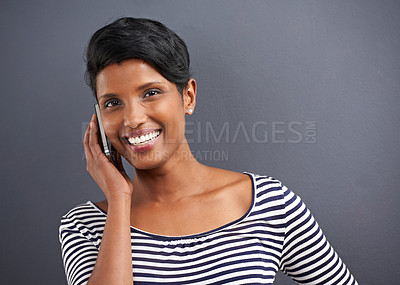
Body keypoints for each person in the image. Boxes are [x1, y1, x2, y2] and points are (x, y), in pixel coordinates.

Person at [59, 17, 358, 285]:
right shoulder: (83, 226)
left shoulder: (270, 203)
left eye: (150, 93)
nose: (133, 118)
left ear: (187, 96)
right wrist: (120, 199)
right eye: (113, 102)